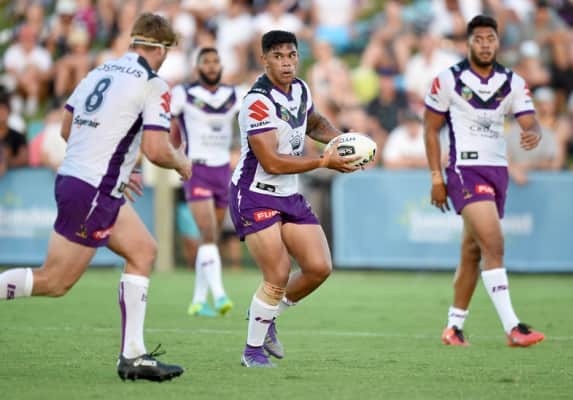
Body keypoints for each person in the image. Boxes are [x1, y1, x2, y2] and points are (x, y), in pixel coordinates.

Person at [0, 13, 191, 381]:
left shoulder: (98, 72)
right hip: (94, 189)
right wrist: (181, 162)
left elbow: (66, 129)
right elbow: (156, 149)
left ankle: (133, 356)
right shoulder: (153, 84)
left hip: (80, 180)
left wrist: (118, 168)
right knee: (55, 281)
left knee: (143, 251)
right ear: (161, 49)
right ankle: (132, 355)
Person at [230, 30, 359, 368]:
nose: (286, 63)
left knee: (318, 268)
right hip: (255, 194)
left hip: (288, 193)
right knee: (278, 273)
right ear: (264, 60)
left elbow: (313, 122)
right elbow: (272, 162)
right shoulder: (257, 102)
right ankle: (252, 352)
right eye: (278, 56)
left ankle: (267, 315)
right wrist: (324, 161)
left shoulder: (300, 88)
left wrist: (343, 142)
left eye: (291, 55)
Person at [423, 15, 546, 347]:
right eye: (478, 39)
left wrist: (532, 132)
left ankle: (453, 327)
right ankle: (513, 327)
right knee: (494, 243)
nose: (485, 44)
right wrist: (436, 176)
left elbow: (529, 119)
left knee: (472, 250)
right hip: (465, 169)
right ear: (468, 43)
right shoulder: (448, 80)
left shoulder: (513, 81)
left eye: (490, 38)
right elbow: (430, 129)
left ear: (498, 42)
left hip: (498, 171)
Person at [170, 47, 238, 318]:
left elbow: (251, 123)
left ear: (221, 66)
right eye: (206, 62)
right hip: (196, 168)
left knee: (211, 238)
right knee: (208, 233)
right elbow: (165, 124)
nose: (211, 66)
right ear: (197, 67)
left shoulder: (233, 94)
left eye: (215, 61)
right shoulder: (183, 93)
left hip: (223, 170)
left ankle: (198, 300)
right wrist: (175, 154)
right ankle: (220, 295)